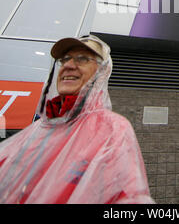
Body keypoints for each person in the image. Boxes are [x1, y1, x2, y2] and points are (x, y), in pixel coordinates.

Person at [0, 34, 154, 204]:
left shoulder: (113, 130)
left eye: (82, 59)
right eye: (64, 59)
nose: (68, 65)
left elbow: (129, 196)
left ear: (101, 72)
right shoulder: (37, 130)